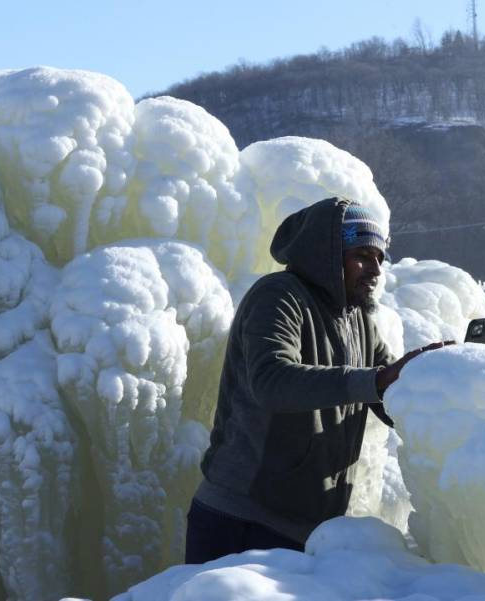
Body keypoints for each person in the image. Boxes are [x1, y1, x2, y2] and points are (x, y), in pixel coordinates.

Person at [186, 198, 450, 563]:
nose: (374, 269)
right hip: (240, 519)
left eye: (379, 258)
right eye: (361, 255)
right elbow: (272, 382)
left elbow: (389, 391)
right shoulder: (278, 296)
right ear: (326, 253)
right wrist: (376, 380)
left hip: (309, 529)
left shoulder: (359, 319)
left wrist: (441, 381)